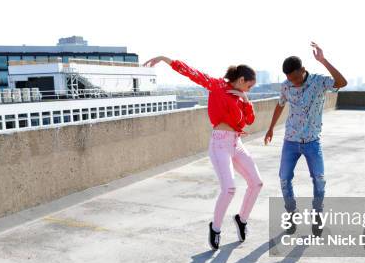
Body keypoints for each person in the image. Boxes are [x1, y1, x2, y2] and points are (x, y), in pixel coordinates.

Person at [143, 56, 263, 250]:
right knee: (229, 189)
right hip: (219, 144)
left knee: (257, 183)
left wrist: (246, 99)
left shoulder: (241, 97)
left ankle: (242, 220)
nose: (249, 90)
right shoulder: (216, 86)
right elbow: (192, 73)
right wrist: (165, 60)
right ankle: (215, 229)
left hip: (236, 143)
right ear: (241, 80)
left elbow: (248, 121)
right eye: (249, 87)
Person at [264, 42, 347, 235]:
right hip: (290, 141)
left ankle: (317, 216)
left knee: (319, 180)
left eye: (295, 78)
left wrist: (323, 60)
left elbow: (342, 83)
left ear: (303, 70)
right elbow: (280, 105)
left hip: (312, 142)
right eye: (289, 79)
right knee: (284, 179)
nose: (294, 82)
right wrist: (270, 128)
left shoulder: (319, 82)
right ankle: (291, 215)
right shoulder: (286, 86)